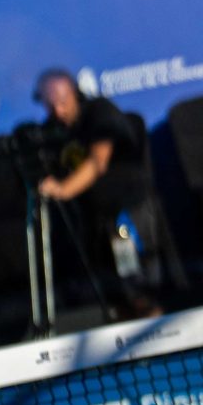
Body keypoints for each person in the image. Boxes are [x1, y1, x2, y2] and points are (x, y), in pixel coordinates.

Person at [33, 69, 160, 315]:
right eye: (50, 105)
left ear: (75, 93)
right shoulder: (54, 130)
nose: (58, 110)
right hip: (91, 222)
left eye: (62, 101)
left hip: (126, 212)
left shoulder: (99, 112)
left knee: (138, 292)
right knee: (112, 299)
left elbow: (97, 161)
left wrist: (62, 189)